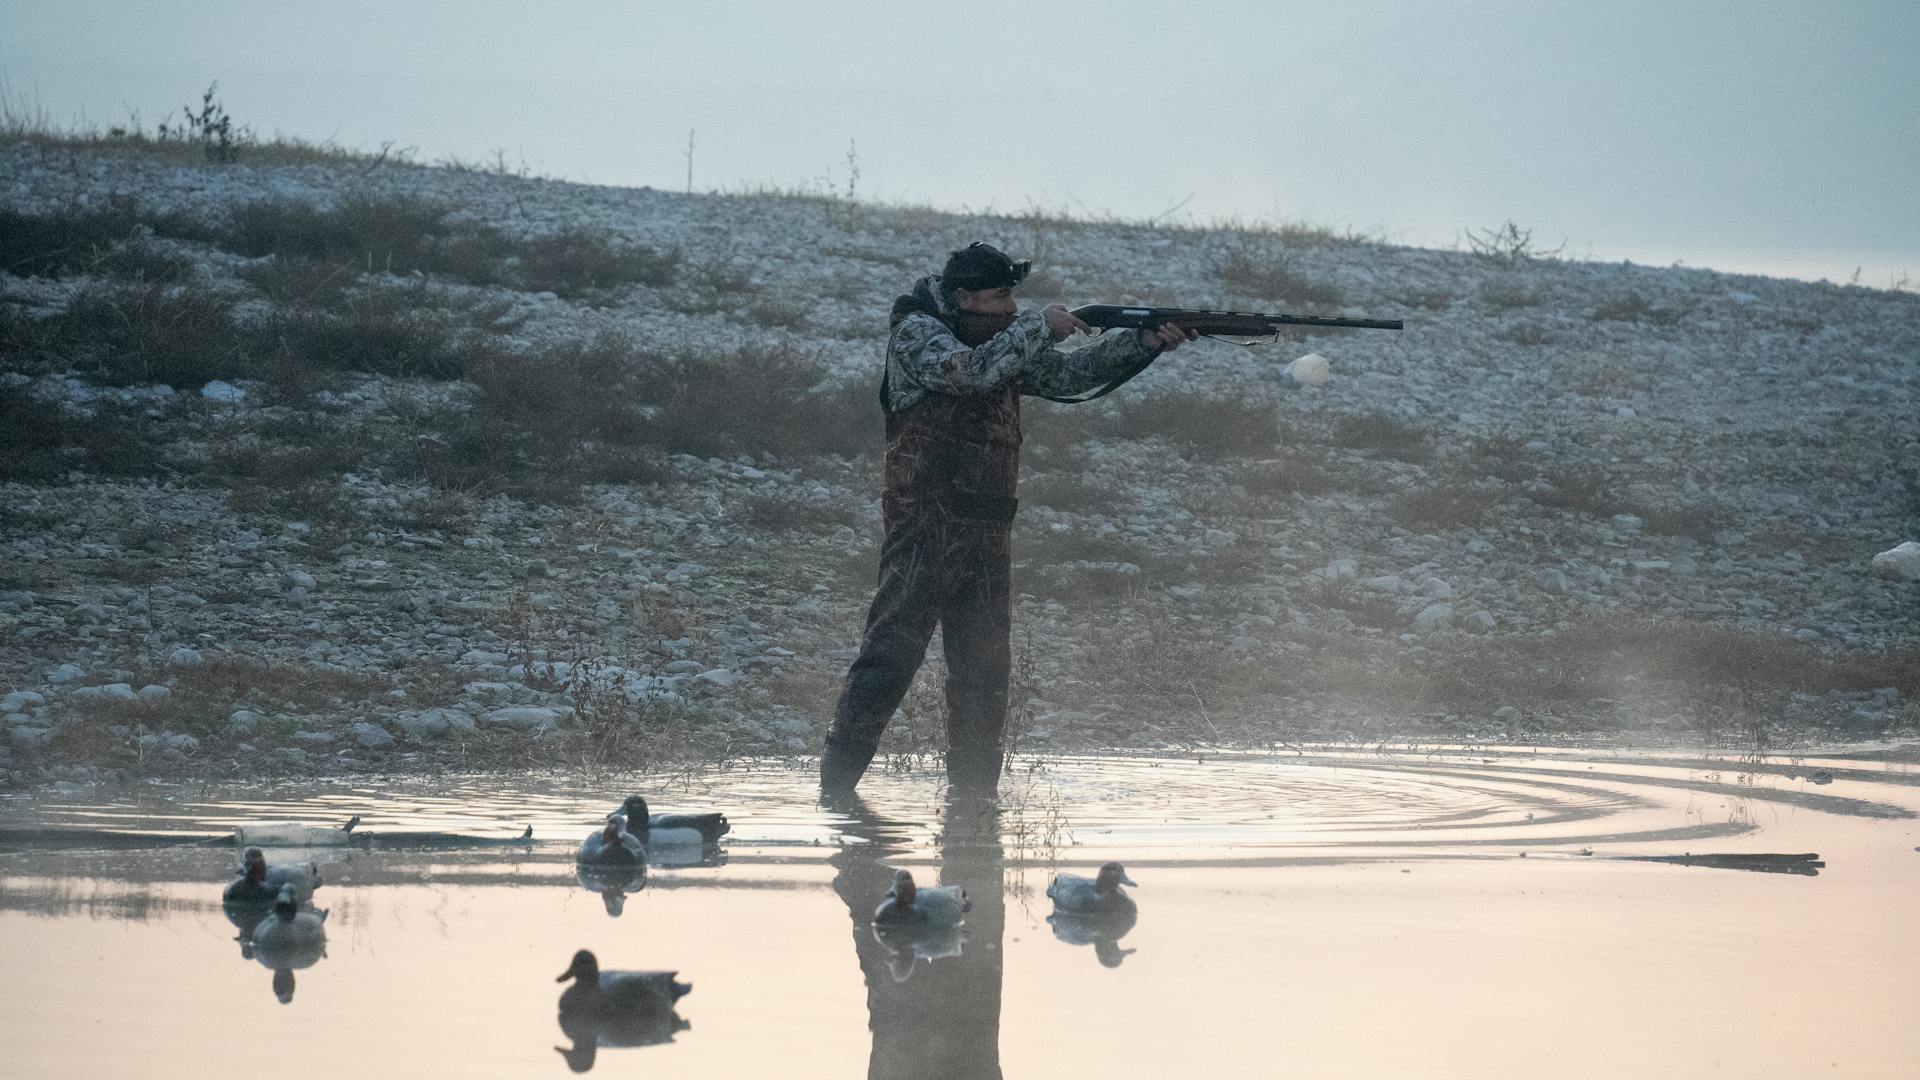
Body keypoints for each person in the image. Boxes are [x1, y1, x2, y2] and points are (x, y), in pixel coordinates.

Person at [820, 242, 1195, 797]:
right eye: (1000, 297)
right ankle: (834, 795)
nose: (1010, 308)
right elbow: (966, 373)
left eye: (1012, 297)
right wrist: (1039, 328)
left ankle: (974, 806)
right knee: (890, 658)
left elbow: (1069, 378)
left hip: (989, 530)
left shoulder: (1000, 339)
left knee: (984, 675)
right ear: (964, 296)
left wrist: (1142, 343)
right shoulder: (916, 332)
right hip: (925, 526)